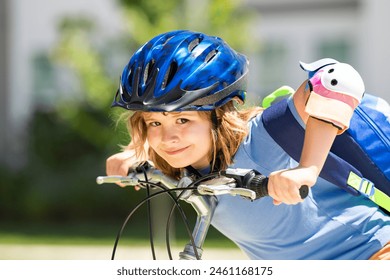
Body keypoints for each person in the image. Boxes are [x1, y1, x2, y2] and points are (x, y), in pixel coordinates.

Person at [106, 30, 390, 260]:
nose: (168, 138)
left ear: (219, 114)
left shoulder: (265, 134)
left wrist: (308, 169)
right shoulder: (186, 167)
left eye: (183, 120)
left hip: (371, 255)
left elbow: (335, 80)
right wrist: (135, 155)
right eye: (155, 123)